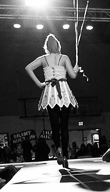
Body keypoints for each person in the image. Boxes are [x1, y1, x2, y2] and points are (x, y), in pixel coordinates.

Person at [25, 34, 81, 169]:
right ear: (58, 45)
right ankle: (65, 155)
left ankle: (58, 148)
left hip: (50, 91)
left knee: (54, 125)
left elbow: (28, 68)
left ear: (47, 46)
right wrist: (76, 69)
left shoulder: (43, 58)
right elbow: (73, 76)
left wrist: (40, 84)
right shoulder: (64, 57)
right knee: (64, 126)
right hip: (64, 91)